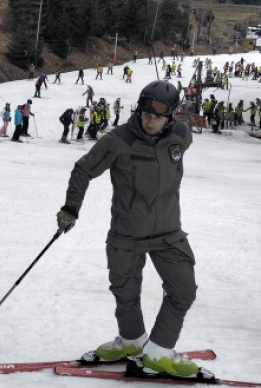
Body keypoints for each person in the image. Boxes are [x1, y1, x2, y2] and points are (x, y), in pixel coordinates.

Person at [56, 80, 198, 379]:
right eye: (145, 112)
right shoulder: (118, 140)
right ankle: (132, 342)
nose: (149, 119)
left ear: (171, 115)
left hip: (168, 234)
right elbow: (83, 169)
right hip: (127, 233)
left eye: (157, 115)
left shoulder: (181, 135)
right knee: (125, 293)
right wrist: (71, 208)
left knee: (183, 290)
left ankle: (159, 352)